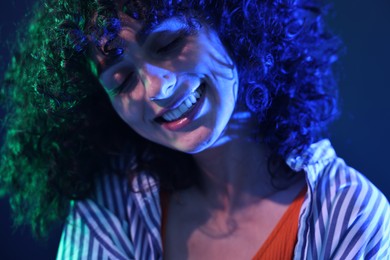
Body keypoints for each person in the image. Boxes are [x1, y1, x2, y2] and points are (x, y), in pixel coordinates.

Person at [1, 0, 389, 259]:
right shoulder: (112, 206)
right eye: (121, 80)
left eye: (168, 43)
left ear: (230, 21)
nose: (156, 87)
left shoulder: (349, 213)